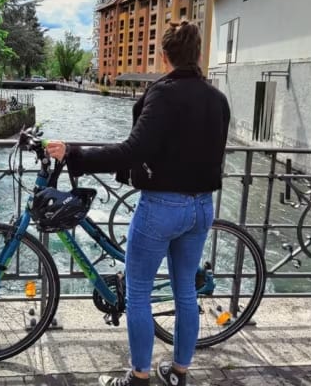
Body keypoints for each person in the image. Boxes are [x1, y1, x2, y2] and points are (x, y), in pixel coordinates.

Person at [46, 21, 230, 386]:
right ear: (198, 55)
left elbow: (134, 150)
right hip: (202, 207)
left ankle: (139, 376)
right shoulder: (218, 99)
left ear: (165, 58)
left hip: (163, 206)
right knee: (185, 292)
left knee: (140, 291)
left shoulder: (164, 94)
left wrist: (75, 154)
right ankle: (179, 373)